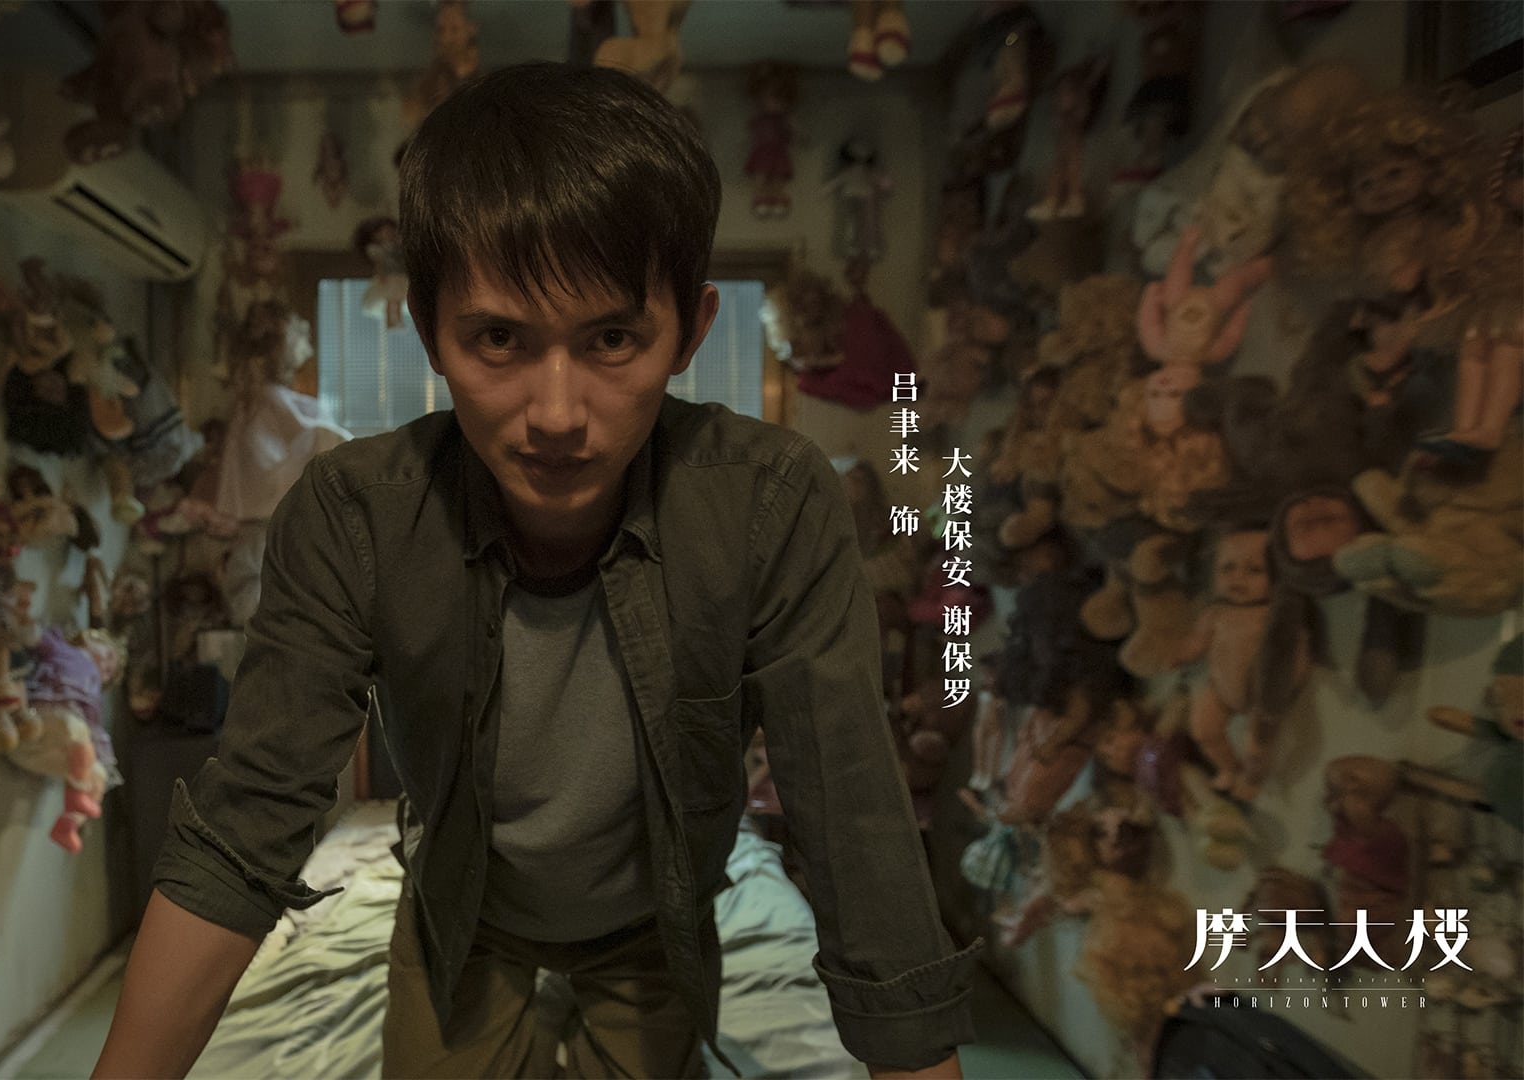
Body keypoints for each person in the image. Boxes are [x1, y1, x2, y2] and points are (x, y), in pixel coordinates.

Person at [93, 62, 978, 1080]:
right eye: (499, 339)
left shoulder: (768, 504)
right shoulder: (355, 516)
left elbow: (853, 822)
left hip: (656, 918)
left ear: (691, 333)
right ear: (429, 331)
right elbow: (248, 821)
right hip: (461, 910)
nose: (556, 413)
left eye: (613, 338)